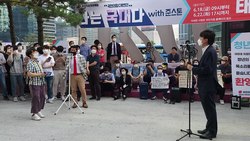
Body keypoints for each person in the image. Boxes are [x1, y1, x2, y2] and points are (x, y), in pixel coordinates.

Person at [187, 29, 218, 139]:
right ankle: (209, 127)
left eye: (201, 38)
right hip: (205, 83)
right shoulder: (207, 50)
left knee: (210, 108)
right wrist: (194, 68)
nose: (199, 40)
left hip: (208, 84)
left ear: (206, 39)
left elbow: (207, 70)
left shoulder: (210, 51)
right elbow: (203, 68)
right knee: (207, 107)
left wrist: (193, 69)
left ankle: (212, 131)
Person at [26, 48, 46, 121]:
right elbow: (29, 74)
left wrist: (43, 74)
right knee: (36, 97)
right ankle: (34, 113)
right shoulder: (30, 63)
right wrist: (40, 74)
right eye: (34, 52)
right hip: (34, 83)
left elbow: (41, 71)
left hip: (41, 82)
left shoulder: (38, 62)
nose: (36, 53)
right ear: (30, 55)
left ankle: (39, 110)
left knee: (42, 96)